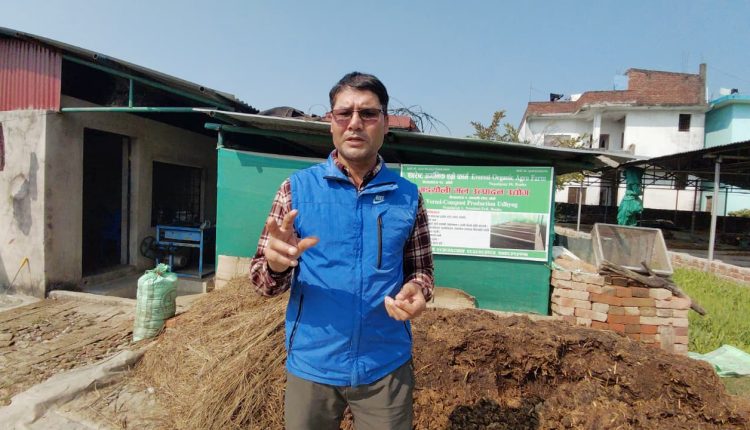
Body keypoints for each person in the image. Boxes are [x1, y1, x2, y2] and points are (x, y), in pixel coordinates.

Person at [249, 71, 434, 430]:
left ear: (385, 124)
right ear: (331, 123)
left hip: (385, 365)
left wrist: (418, 289)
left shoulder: (408, 196)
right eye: (344, 113)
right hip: (312, 365)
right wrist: (275, 265)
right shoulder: (295, 190)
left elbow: (421, 269)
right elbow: (261, 283)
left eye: (368, 113)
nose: (355, 123)